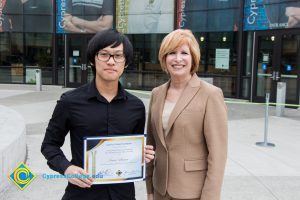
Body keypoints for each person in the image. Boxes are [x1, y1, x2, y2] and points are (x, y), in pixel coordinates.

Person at [41, 29, 155, 200]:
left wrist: (142, 152)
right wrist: (67, 168)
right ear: (93, 60)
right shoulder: (70, 101)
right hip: (82, 193)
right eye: (104, 54)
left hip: (122, 194)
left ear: (126, 63)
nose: (111, 61)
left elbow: (133, 147)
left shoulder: (136, 107)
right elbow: (49, 145)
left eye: (118, 56)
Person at [146, 29, 228, 200]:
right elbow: (151, 145)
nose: (177, 59)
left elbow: (218, 154)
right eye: (171, 53)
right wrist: (150, 190)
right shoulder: (156, 93)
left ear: (193, 58)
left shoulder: (210, 94)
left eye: (184, 53)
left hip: (193, 192)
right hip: (160, 190)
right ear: (164, 58)